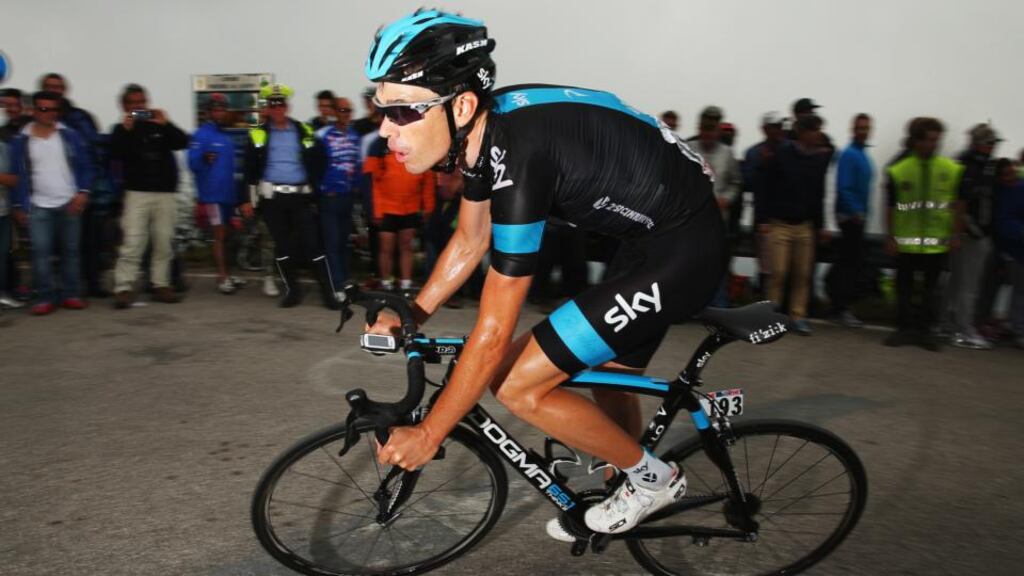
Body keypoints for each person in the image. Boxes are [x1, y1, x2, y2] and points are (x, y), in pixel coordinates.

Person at [364, 9, 723, 539]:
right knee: (607, 373)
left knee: (515, 381)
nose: (384, 129)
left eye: (403, 112)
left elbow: (491, 334)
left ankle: (653, 480)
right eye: (381, 109)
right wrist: (411, 312)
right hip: (649, 237)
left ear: (460, 105)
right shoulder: (486, 132)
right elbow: (469, 239)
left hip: (682, 250)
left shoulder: (520, 159)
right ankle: (626, 475)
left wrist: (430, 432)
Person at [242, 83, 336, 309]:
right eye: (272, 105)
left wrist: (314, 183)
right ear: (268, 108)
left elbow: (321, 158)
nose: (277, 109)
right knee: (282, 246)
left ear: (287, 106)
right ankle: (292, 291)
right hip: (272, 199)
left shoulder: (304, 130)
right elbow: (248, 168)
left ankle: (328, 294)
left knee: (313, 245)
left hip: (300, 197)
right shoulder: (258, 132)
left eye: (281, 104)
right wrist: (245, 199)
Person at [9, 91, 93, 315]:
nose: (49, 114)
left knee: (71, 252)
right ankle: (45, 297)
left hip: (69, 202)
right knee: (40, 252)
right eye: (43, 109)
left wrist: (83, 193)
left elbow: (86, 166)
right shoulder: (21, 140)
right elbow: (17, 175)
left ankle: (71, 294)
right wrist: (18, 205)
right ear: (34, 110)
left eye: (53, 109)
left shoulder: (70, 136)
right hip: (38, 205)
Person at [883, 117, 962, 350]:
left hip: (936, 243)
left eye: (937, 139)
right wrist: (890, 237)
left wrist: (956, 234)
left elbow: (959, 204)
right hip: (906, 242)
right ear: (916, 140)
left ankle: (925, 332)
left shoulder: (950, 169)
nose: (935, 144)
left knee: (930, 289)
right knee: (904, 288)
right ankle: (904, 329)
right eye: (930, 139)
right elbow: (890, 205)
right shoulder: (899, 169)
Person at [109, 84, 189, 308]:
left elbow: (182, 141)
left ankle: (160, 285)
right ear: (124, 106)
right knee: (132, 243)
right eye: (133, 104)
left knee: (164, 242)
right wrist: (126, 129)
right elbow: (114, 153)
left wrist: (167, 123)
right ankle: (123, 287)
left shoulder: (160, 126)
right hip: (136, 193)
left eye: (142, 102)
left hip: (165, 193)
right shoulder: (120, 130)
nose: (138, 107)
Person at [759, 115, 831, 335]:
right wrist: (762, 220)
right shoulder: (781, 154)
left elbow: (819, 195)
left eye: (818, 129)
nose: (817, 134)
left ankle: (797, 316)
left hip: (805, 226)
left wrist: (821, 226)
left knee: (803, 273)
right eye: (813, 130)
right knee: (778, 272)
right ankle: (770, 317)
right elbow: (765, 187)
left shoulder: (818, 160)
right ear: (802, 132)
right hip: (779, 224)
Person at [188, 93, 250, 294]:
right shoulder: (201, 134)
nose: (220, 112)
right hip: (212, 195)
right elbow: (191, 162)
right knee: (219, 235)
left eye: (222, 109)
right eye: (215, 109)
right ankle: (222, 277)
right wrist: (203, 158)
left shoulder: (225, 136)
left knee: (227, 235)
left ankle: (228, 275)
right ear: (208, 112)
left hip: (227, 195)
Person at [364, 132, 435, 292]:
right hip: (386, 207)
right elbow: (371, 180)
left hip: (410, 206)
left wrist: (428, 206)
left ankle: (406, 284)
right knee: (386, 248)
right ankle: (386, 283)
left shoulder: (418, 141)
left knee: (406, 247)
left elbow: (428, 178)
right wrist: (375, 210)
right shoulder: (379, 145)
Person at [314, 96, 362, 298]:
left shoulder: (354, 136)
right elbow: (313, 166)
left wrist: (357, 190)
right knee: (332, 243)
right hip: (329, 197)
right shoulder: (322, 135)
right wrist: (320, 190)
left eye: (349, 111)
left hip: (347, 197)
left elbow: (358, 166)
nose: (346, 114)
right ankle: (336, 287)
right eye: (342, 111)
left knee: (344, 242)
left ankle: (344, 282)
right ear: (333, 112)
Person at [830, 114, 875, 327]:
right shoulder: (849, 154)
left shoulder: (862, 154)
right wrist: (856, 211)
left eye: (866, 128)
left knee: (850, 264)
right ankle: (841, 308)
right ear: (853, 129)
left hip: (858, 217)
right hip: (850, 218)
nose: (863, 132)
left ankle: (841, 306)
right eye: (860, 128)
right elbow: (843, 187)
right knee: (848, 265)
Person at [745, 111, 787, 297]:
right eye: (774, 127)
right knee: (766, 268)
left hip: (785, 217)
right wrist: (762, 165)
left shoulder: (790, 150)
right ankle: (763, 304)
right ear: (765, 129)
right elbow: (749, 184)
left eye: (780, 126)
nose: (778, 130)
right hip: (764, 218)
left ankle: (778, 307)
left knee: (781, 268)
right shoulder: (754, 153)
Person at [994, 158, 1024, 347]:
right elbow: (1003, 223)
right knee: (1021, 291)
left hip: (1015, 247)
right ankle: (1019, 329)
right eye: (1006, 174)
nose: (1011, 176)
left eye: (1012, 172)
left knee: (1020, 291)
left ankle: (1016, 326)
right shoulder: (1002, 194)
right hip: (1013, 249)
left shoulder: (1019, 188)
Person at [0, 137, 20, 308]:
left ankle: (2, 294)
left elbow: (14, 180)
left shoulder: (5, 148)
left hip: (3, 210)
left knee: (3, 254)